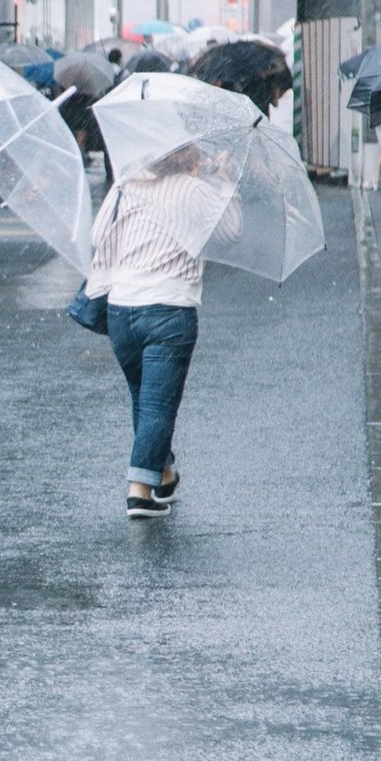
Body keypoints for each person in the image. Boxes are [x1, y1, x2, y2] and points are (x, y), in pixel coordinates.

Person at [84, 146, 241, 518]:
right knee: (157, 405)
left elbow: (96, 234)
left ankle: (164, 472)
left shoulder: (126, 185)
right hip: (168, 308)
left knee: (145, 398)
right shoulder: (194, 190)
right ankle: (138, 491)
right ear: (187, 156)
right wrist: (225, 179)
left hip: (121, 309)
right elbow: (231, 231)